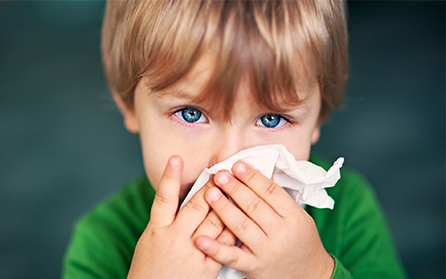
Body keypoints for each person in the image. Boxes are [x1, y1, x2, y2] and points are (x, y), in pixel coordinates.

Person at [63, 0, 408, 278]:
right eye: (191, 114)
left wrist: (314, 273)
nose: (230, 162)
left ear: (318, 113)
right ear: (128, 103)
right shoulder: (103, 241)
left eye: (271, 119)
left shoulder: (347, 210)